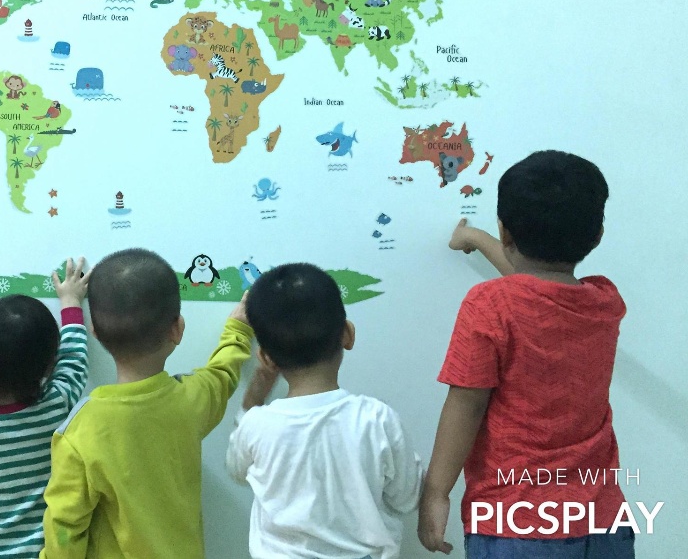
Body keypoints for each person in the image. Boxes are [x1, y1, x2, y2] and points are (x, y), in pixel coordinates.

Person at [418, 150, 633, 557]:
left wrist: (436, 491)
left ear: (505, 231)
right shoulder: (604, 301)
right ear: (598, 234)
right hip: (603, 522)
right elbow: (542, 285)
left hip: (514, 523)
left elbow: (466, 404)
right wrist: (476, 238)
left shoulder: (489, 305)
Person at [40, 248, 254, 559]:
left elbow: (64, 525)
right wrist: (238, 329)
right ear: (177, 329)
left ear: (95, 333)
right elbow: (223, 374)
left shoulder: (79, 432)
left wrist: (71, 303)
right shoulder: (193, 398)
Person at [226, 263, 424, 559]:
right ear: (347, 334)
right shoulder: (377, 420)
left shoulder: (257, 424)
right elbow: (407, 499)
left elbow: (237, 471)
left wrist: (252, 399)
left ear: (265, 357)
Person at [0, 258, 90, 558]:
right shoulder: (55, 407)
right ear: (49, 365)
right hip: (43, 552)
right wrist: (70, 301)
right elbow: (74, 359)